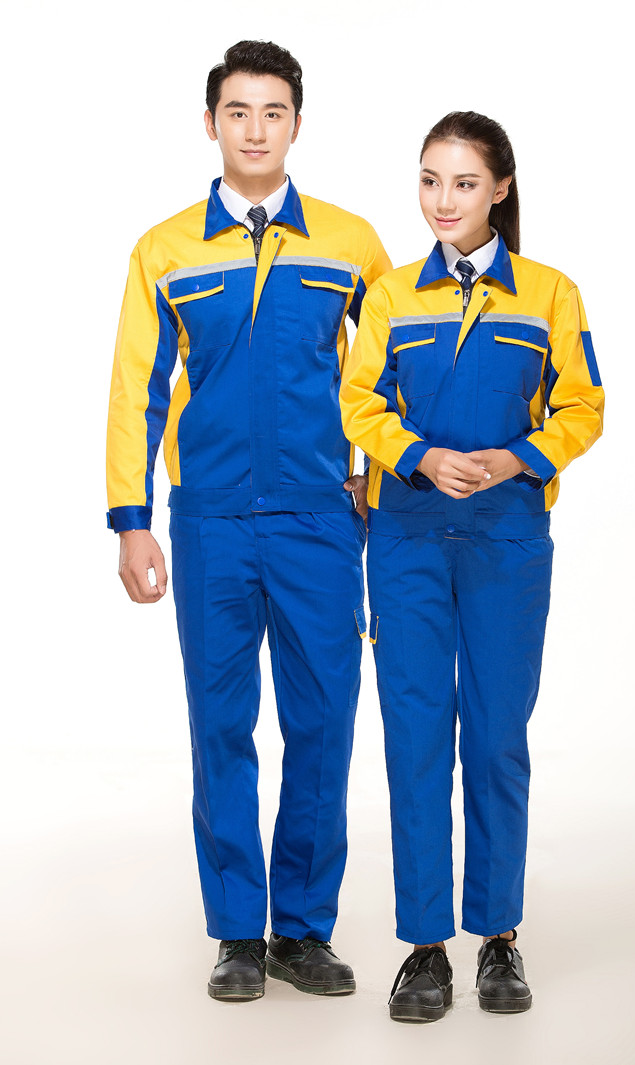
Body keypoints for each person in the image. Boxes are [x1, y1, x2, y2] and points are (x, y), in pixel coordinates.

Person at [106, 40, 391, 1002]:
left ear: (297, 124)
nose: (256, 130)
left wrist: (378, 480)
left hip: (321, 521)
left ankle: (301, 929)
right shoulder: (165, 249)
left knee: (323, 724)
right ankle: (236, 931)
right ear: (210, 123)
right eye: (239, 111)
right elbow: (137, 389)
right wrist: (132, 518)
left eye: (274, 112)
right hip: (211, 522)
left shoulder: (349, 244)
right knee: (221, 726)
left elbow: (390, 372)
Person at [340, 111, 604, 1021]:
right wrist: (416, 454)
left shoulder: (551, 293)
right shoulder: (391, 297)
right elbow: (358, 403)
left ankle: (498, 934)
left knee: (494, 738)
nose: (442, 200)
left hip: (507, 541)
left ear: (500, 189)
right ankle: (424, 947)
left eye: (462, 182)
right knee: (416, 740)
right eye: (428, 180)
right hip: (406, 540)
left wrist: (517, 459)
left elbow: (583, 405)